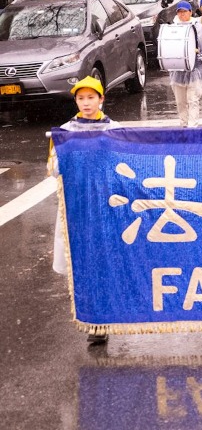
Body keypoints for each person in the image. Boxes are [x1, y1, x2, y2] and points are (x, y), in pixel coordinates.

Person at [47, 75, 121, 345]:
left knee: (103, 258)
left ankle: (103, 318)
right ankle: (92, 317)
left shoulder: (114, 128)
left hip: (105, 202)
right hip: (77, 203)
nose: (86, 103)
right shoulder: (66, 131)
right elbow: (54, 169)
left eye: (91, 97)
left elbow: (124, 163)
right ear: (76, 101)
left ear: (101, 99)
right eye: (81, 98)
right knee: (82, 259)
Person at [169, 1, 202, 128]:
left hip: (195, 71)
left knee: (193, 100)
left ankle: (193, 128)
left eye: (184, 11)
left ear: (190, 12)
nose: (182, 14)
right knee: (180, 102)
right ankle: (183, 125)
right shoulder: (173, 28)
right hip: (177, 72)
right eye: (179, 12)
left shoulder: (198, 27)